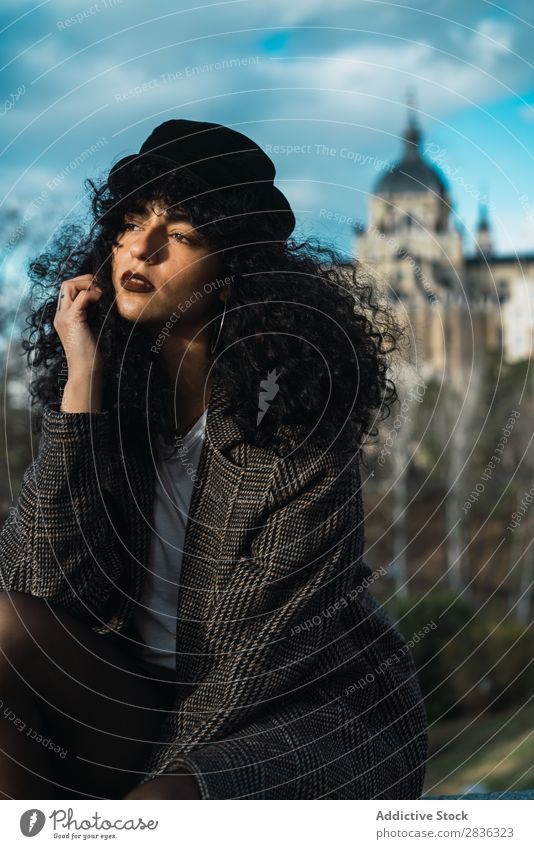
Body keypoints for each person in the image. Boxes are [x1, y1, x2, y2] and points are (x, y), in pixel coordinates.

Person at [0, 119, 427, 800]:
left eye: (183, 236)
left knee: (160, 809)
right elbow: (40, 587)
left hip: (303, 717)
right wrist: (81, 391)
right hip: (148, 697)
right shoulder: (116, 401)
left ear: (232, 274)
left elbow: (259, 664)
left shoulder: (292, 423)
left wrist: (135, 795)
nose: (141, 247)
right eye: (132, 222)